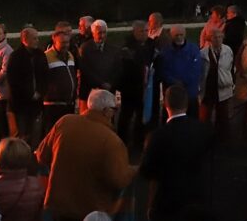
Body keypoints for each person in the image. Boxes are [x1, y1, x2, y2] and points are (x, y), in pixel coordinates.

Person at [37, 89, 135, 221]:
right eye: (114, 110)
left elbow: (41, 155)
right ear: (106, 111)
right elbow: (119, 179)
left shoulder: (64, 122)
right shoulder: (112, 142)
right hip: (92, 208)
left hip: (61, 202)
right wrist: (134, 170)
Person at [139, 85, 215, 221]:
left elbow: (146, 171)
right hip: (196, 197)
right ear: (187, 104)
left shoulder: (158, 136)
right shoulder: (203, 130)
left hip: (166, 201)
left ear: (166, 104)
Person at [7, 27, 47, 146]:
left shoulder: (40, 54)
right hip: (20, 104)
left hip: (36, 103)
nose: (37, 40)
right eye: (34, 38)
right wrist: (30, 93)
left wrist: (40, 91)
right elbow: (13, 80)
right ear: (25, 40)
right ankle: (18, 158)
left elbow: (45, 75)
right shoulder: (16, 57)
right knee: (20, 134)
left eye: (37, 38)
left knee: (33, 132)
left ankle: (29, 156)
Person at [119, 19, 152, 147]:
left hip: (145, 87)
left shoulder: (150, 44)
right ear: (134, 32)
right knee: (126, 115)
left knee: (141, 115)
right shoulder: (127, 47)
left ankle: (138, 140)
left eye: (146, 31)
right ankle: (122, 141)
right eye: (141, 31)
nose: (144, 33)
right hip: (130, 87)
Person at [156, 25, 202, 117]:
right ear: (171, 36)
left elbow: (196, 69)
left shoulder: (193, 50)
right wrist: (174, 81)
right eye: (176, 35)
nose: (179, 37)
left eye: (181, 35)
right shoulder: (165, 51)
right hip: (172, 93)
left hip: (190, 92)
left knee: (192, 117)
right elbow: (163, 70)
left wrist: (184, 81)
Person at [78, 19, 121, 113]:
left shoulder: (113, 49)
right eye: (99, 33)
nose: (102, 36)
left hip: (108, 91)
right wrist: (101, 83)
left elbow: (116, 68)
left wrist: (110, 83)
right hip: (90, 91)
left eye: (104, 32)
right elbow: (86, 71)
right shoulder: (85, 49)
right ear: (93, 33)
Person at [42, 23, 78, 137]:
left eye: (67, 43)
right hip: (53, 105)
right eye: (62, 43)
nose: (66, 45)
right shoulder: (46, 57)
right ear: (54, 41)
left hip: (68, 104)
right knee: (52, 134)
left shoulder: (71, 56)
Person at [198, 28, 235, 138]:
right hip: (208, 89)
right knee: (205, 116)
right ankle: (204, 137)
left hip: (223, 88)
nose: (218, 40)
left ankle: (222, 138)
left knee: (223, 116)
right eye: (215, 37)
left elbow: (231, 67)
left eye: (220, 37)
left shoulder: (228, 51)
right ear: (210, 39)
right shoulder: (203, 53)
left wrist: (231, 82)